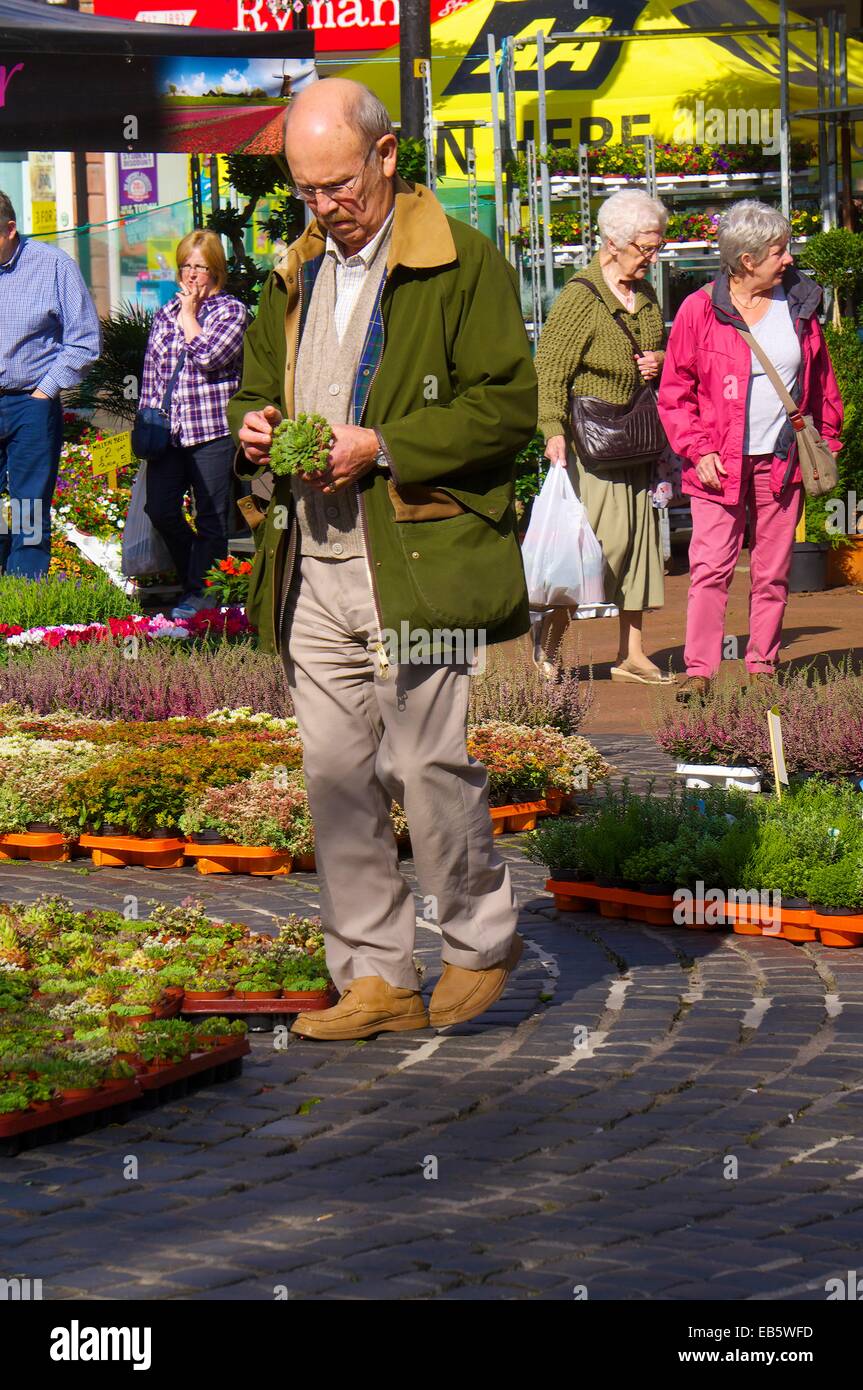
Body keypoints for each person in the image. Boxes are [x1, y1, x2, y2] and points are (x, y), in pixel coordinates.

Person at [228, 78, 537, 1042]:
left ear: (386, 154)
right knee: (334, 768)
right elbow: (259, 382)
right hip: (310, 562)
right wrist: (258, 422)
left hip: (415, 555)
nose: (324, 206)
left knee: (423, 761)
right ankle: (375, 972)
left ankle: (481, 940)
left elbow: (506, 409)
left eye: (338, 185)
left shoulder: (462, 263)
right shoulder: (294, 273)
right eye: (307, 191)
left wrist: (385, 444)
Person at [658, 200, 843, 700]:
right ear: (746, 260)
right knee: (710, 569)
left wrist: (827, 442)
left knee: (773, 570)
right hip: (717, 465)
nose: (788, 259)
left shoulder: (800, 304)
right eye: (779, 251)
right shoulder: (700, 308)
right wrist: (698, 452)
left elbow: (822, 383)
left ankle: (762, 667)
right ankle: (701, 673)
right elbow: (676, 391)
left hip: (782, 461)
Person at [534, 188, 673, 684]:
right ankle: (548, 641)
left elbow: (661, 350)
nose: (653, 257)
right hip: (595, 442)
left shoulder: (647, 296)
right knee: (600, 548)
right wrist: (552, 429)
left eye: (657, 246)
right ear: (613, 242)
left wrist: (661, 361)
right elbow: (549, 368)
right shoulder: (580, 297)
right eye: (646, 247)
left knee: (640, 550)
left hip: (638, 438)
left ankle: (631, 653)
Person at [139, 229, 248, 620]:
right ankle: (195, 575)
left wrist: (190, 316)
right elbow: (152, 370)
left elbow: (209, 357)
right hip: (167, 432)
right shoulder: (166, 310)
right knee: (161, 509)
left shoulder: (231, 311)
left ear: (216, 269)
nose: (190, 275)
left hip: (211, 431)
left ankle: (203, 595)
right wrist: (146, 418)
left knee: (211, 518)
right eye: (185, 265)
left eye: (199, 267)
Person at [0, 189, 100, 577]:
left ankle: (24, 595)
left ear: (10, 229)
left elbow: (85, 340)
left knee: (27, 505)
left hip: (31, 402)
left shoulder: (53, 265)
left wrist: (45, 391)